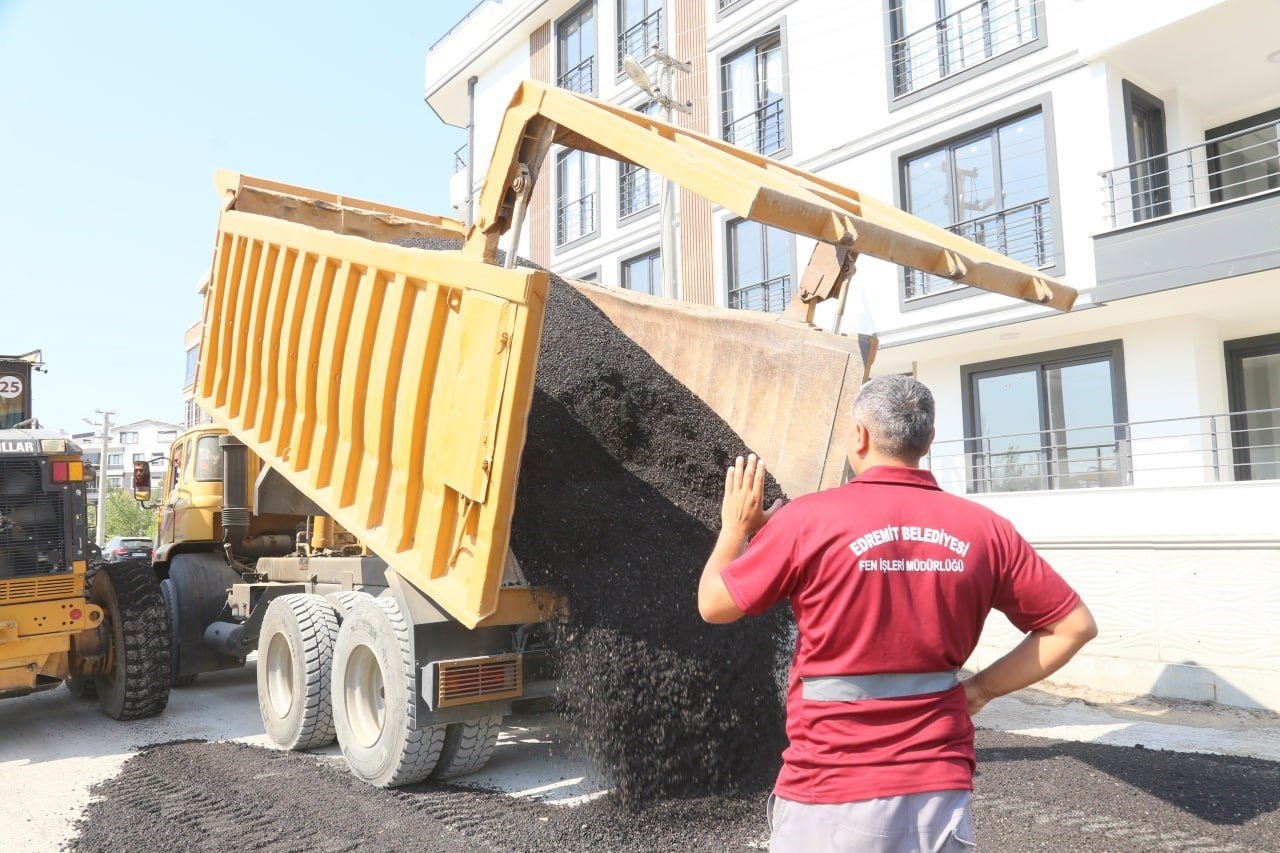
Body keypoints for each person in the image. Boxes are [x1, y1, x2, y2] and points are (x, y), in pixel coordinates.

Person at [697, 375, 1097, 852]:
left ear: (860, 436)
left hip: (830, 790)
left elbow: (714, 605)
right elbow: (1073, 626)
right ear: (927, 441)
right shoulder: (986, 529)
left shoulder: (805, 521)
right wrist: (980, 690)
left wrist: (735, 529)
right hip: (938, 790)